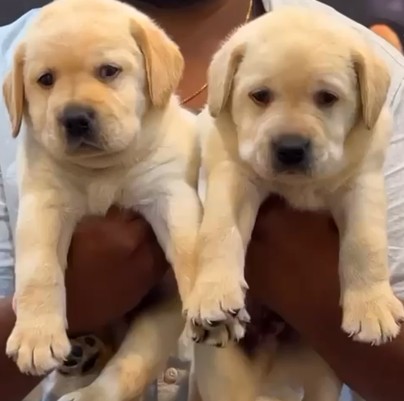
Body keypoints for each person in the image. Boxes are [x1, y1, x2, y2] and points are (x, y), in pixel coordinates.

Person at [0, 1, 403, 401]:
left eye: (109, 71)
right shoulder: (11, 55)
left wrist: (316, 297)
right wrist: (75, 303)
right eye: (46, 80)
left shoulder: (372, 64)